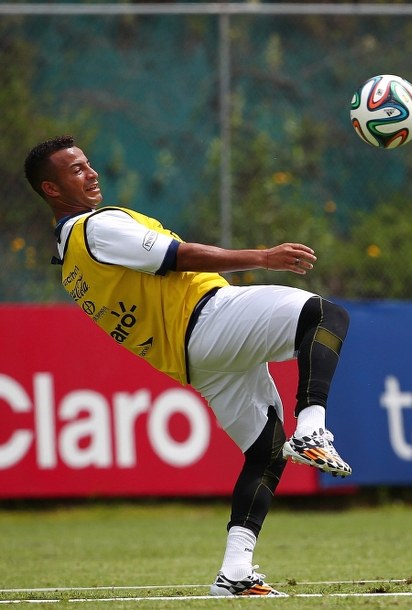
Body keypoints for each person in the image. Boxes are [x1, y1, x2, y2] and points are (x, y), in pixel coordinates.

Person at [24, 135, 353, 597]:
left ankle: (235, 572)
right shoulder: (96, 228)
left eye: (88, 163)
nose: (91, 173)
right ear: (52, 190)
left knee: (266, 452)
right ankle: (313, 427)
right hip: (207, 318)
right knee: (325, 316)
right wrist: (262, 257)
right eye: (75, 170)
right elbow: (177, 257)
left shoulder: (70, 263)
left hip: (194, 363)